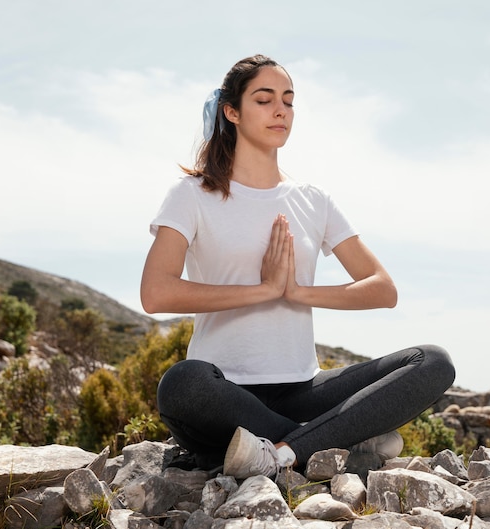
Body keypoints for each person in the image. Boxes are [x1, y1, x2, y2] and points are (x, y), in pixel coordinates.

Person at [140, 54, 455, 478]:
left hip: (302, 389)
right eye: (264, 99)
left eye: (288, 101)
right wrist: (263, 290)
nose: (280, 111)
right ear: (231, 111)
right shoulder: (193, 194)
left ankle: (284, 452)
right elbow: (156, 292)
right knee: (181, 384)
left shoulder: (313, 199)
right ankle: (334, 440)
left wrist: (296, 293)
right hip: (223, 394)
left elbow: (382, 288)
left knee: (432, 361)